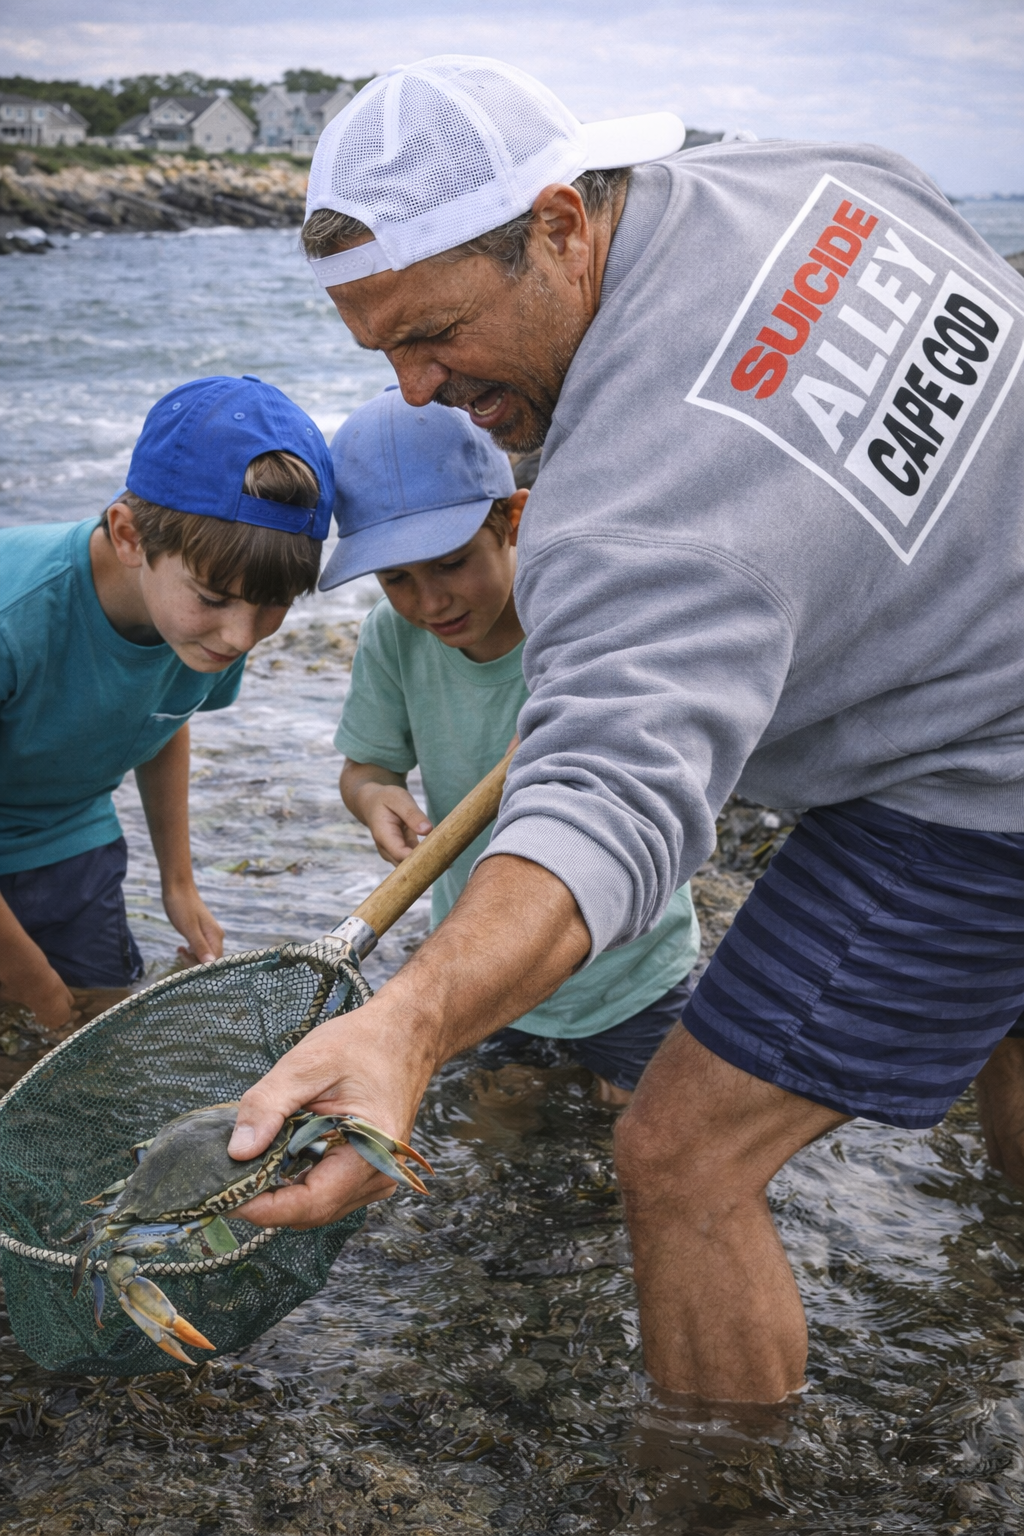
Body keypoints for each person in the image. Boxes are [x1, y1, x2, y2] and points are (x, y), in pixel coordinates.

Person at [227, 57, 1024, 1405]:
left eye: (433, 334)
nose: (416, 393)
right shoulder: (812, 179)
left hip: (978, 778)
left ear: (557, 223)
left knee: (682, 1157)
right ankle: (1000, 1279)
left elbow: (607, 805)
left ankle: (715, 1497)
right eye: (380, 355)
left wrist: (411, 1028)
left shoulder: (622, 512)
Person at [326, 387, 701, 1103]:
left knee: (645, 1143)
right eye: (396, 578)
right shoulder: (392, 637)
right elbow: (367, 767)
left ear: (515, 520)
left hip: (629, 966)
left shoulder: (581, 617)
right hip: (480, 966)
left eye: (452, 562)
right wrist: (377, 798)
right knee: (493, 1139)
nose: (431, 601)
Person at [0, 375, 333, 1032]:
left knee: (93, 1028)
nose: (240, 636)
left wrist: (178, 884)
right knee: (37, 1013)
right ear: (129, 537)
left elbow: (161, 722)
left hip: (65, 832)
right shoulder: (19, 618)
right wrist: (32, 982)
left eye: (273, 606)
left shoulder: (202, 634)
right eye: (213, 598)